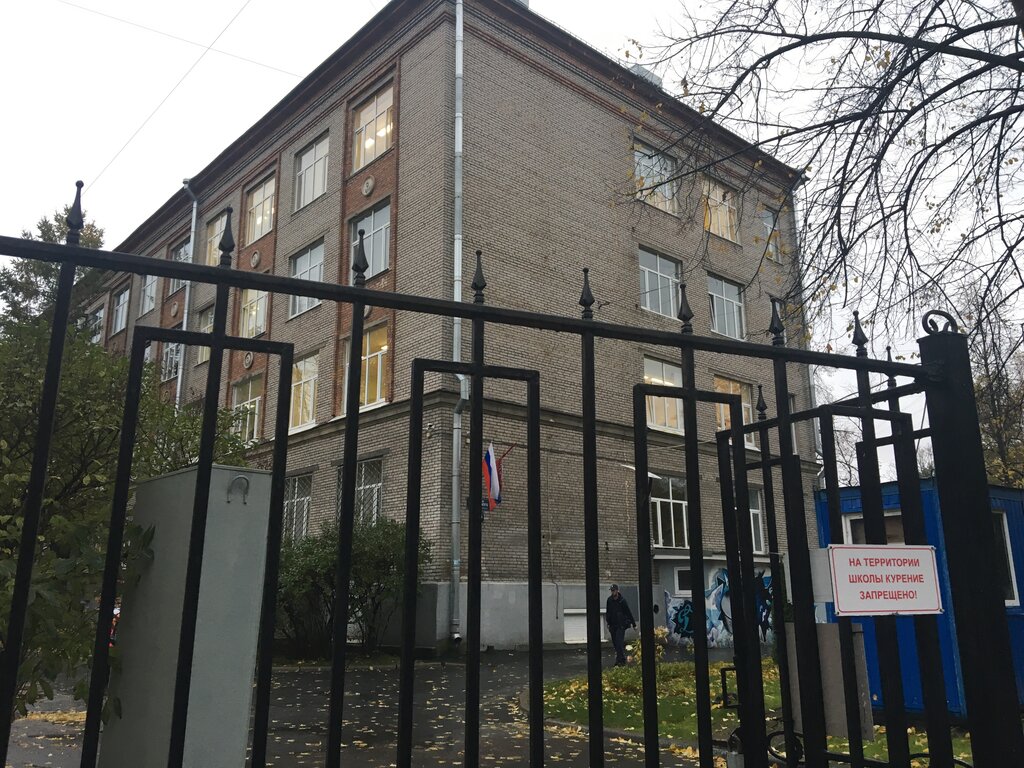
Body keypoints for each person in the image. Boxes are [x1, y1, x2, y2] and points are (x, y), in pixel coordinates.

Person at [606, 584, 636, 666]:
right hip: (612, 625)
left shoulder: (622, 601)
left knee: (619, 643)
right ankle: (620, 659)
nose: (612, 592)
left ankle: (621, 661)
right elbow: (608, 612)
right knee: (615, 644)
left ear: (617, 591)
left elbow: (628, 612)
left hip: (621, 625)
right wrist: (608, 623)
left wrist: (634, 624)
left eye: (613, 590)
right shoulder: (609, 600)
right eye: (611, 591)